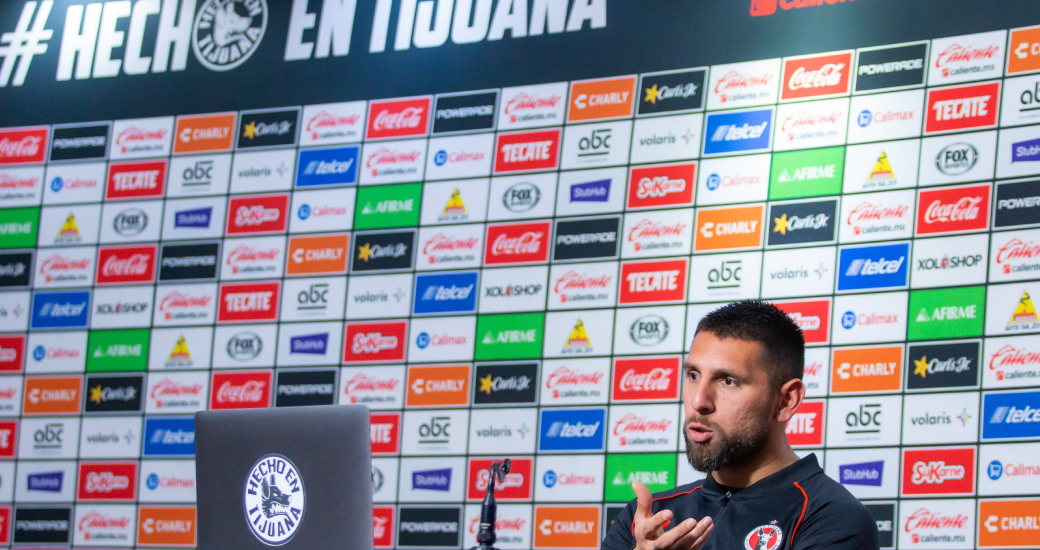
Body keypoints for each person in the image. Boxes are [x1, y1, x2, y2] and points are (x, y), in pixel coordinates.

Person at [601, 300, 879, 550]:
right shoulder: (647, 520)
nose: (699, 401)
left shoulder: (833, 519)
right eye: (694, 375)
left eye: (728, 381)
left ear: (786, 401)